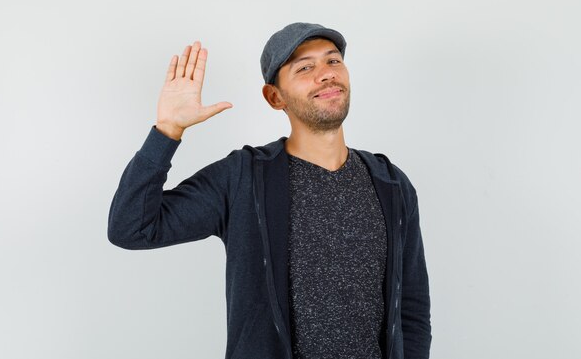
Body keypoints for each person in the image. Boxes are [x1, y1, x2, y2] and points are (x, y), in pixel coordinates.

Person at [108, 22, 432, 359]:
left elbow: (411, 308)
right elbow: (132, 228)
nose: (325, 74)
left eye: (333, 61)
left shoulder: (391, 182)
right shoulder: (243, 178)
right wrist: (167, 131)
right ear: (275, 97)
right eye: (305, 67)